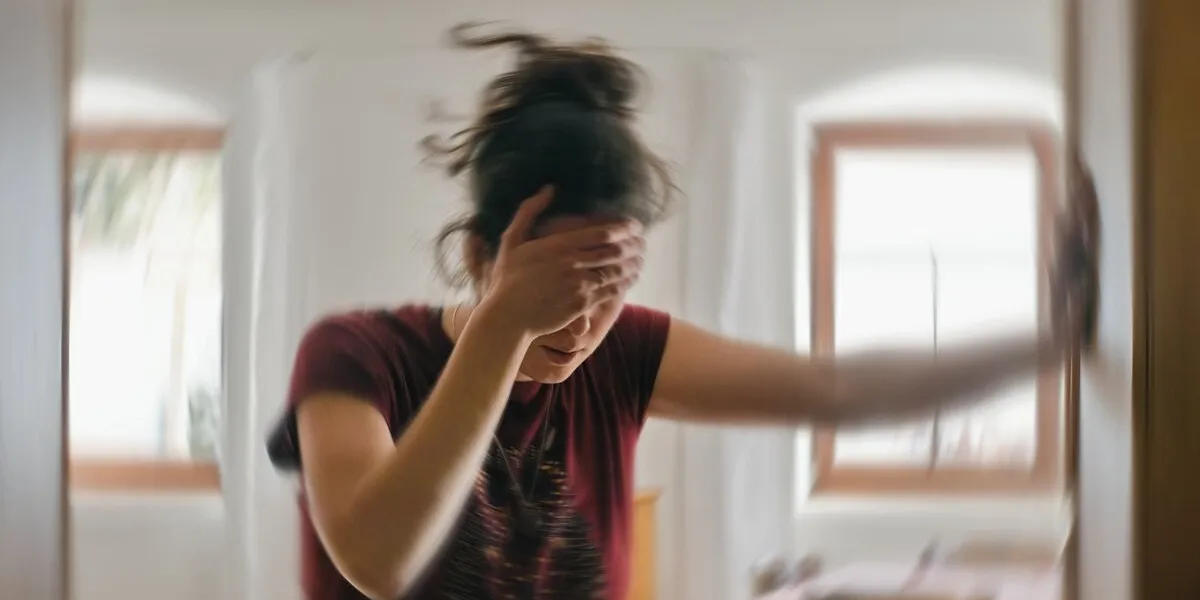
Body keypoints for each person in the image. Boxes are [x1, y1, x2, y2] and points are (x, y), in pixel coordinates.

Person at [266, 23, 1098, 600]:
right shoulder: (354, 355)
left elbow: (839, 391)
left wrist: (1052, 341)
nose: (578, 325)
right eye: (553, 287)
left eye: (605, 288)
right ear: (482, 257)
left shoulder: (625, 354)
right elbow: (378, 561)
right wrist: (504, 326)